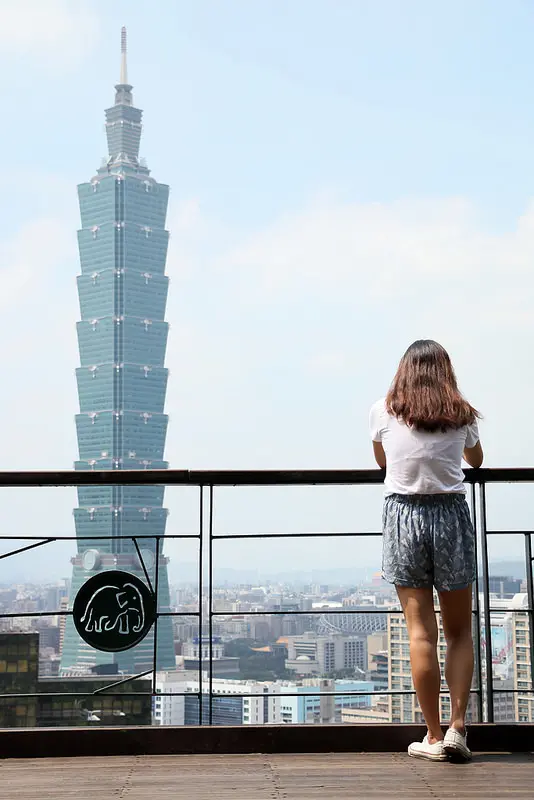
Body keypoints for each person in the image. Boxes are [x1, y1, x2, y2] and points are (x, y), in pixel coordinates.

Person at [369, 339, 483, 763]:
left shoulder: (383, 409)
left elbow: (382, 460)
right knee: (459, 632)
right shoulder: (461, 413)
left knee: (421, 633)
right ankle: (457, 728)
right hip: (451, 517)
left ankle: (432, 736)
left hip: (404, 518)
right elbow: (476, 459)